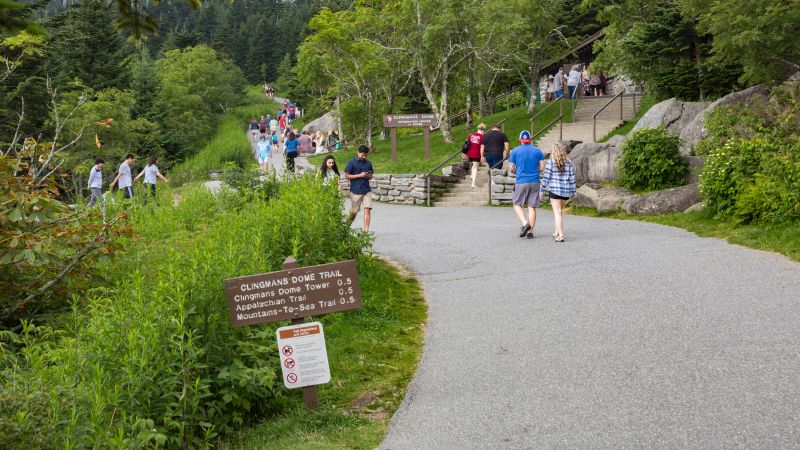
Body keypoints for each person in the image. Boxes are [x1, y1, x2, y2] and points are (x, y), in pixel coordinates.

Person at [508, 131, 545, 239]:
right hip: (535, 181)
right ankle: (531, 232)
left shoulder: (515, 151)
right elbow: (542, 168)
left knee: (517, 204)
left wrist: (517, 172)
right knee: (532, 206)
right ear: (530, 139)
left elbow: (511, 168)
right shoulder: (538, 151)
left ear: (520, 140)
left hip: (521, 181)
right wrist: (533, 172)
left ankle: (525, 224)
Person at [539, 143, 576, 242]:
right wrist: (574, 191)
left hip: (555, 190)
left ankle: (561, 235)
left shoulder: (551, 162)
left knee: (557, 212)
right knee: (559, 212)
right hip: (565, 191)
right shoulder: (568, 162)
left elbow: (546, 178)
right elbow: (572, 178)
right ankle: (556, 231)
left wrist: (541, 190)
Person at [344, 145, 374, 232]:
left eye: (365, 155)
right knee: (354, 212)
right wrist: (360, 175)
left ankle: (366, 232)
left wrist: (369, 176)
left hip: (366, 190)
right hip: (356, 190)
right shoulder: (351, 162)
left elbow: (371, 176)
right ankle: (346, 228)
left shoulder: (369, 163)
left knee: (367, 209)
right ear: (358, 152)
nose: (364, 157)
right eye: (362, 155)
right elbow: (347, 176)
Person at [463, 123, 485, 189]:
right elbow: (482, 147)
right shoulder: (482, 137)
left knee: (474, 166)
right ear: (483, 130)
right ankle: (473, 184)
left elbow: (466, 145)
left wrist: (464, 153)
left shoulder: (470, 135)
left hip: (469, 154)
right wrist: (482, 156)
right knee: (475, 167)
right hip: (476, 154)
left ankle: (472, 175)